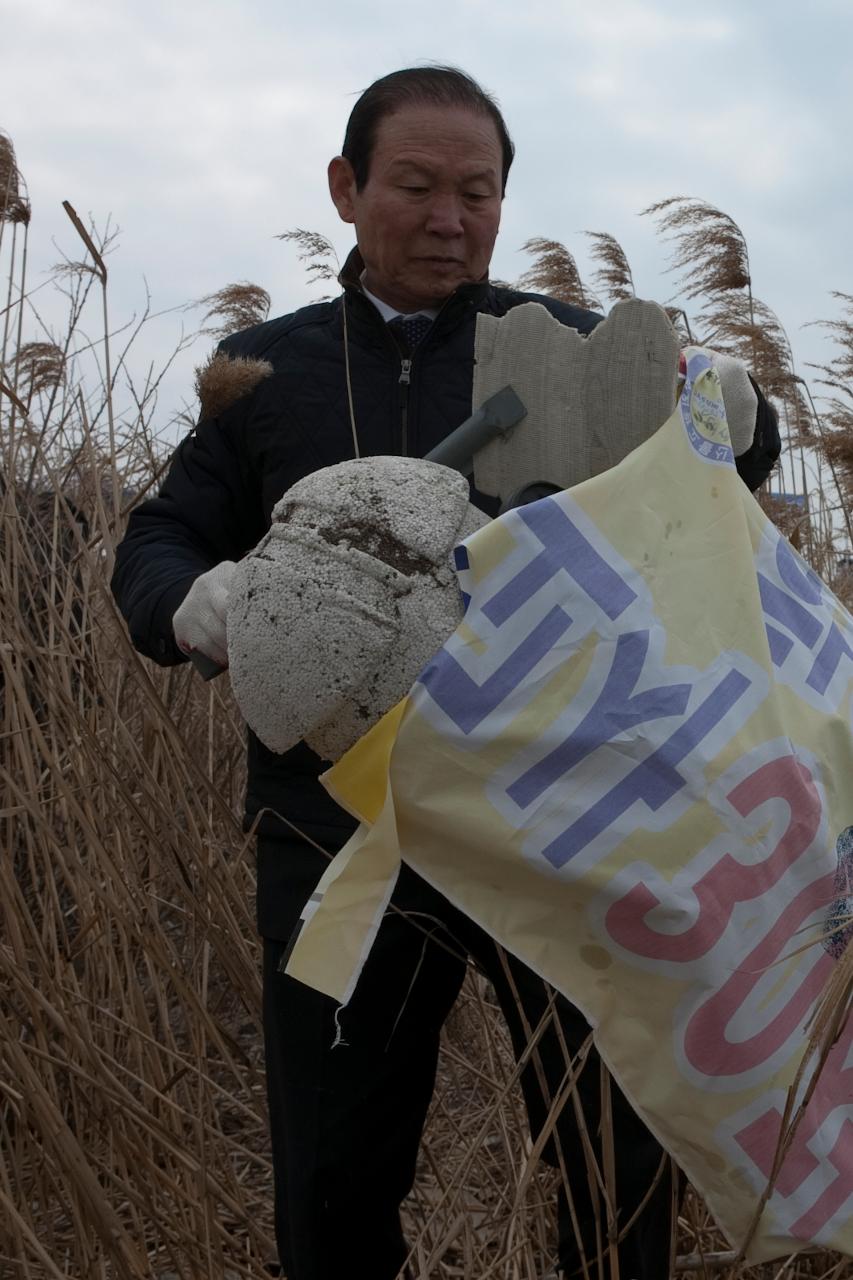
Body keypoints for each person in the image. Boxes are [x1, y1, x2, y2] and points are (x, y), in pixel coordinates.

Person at [111, 66, 780, 1280]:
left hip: (559, 827)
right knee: (333, 1175)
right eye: (414, 185)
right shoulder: (261, 369)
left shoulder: (578, 352)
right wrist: (196, 603)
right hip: (334, 834)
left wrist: (737, 412)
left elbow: (724, 459)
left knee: (610, 1164)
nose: (447, 217)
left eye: (476, 191)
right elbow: (157, 537)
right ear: (346, 188)